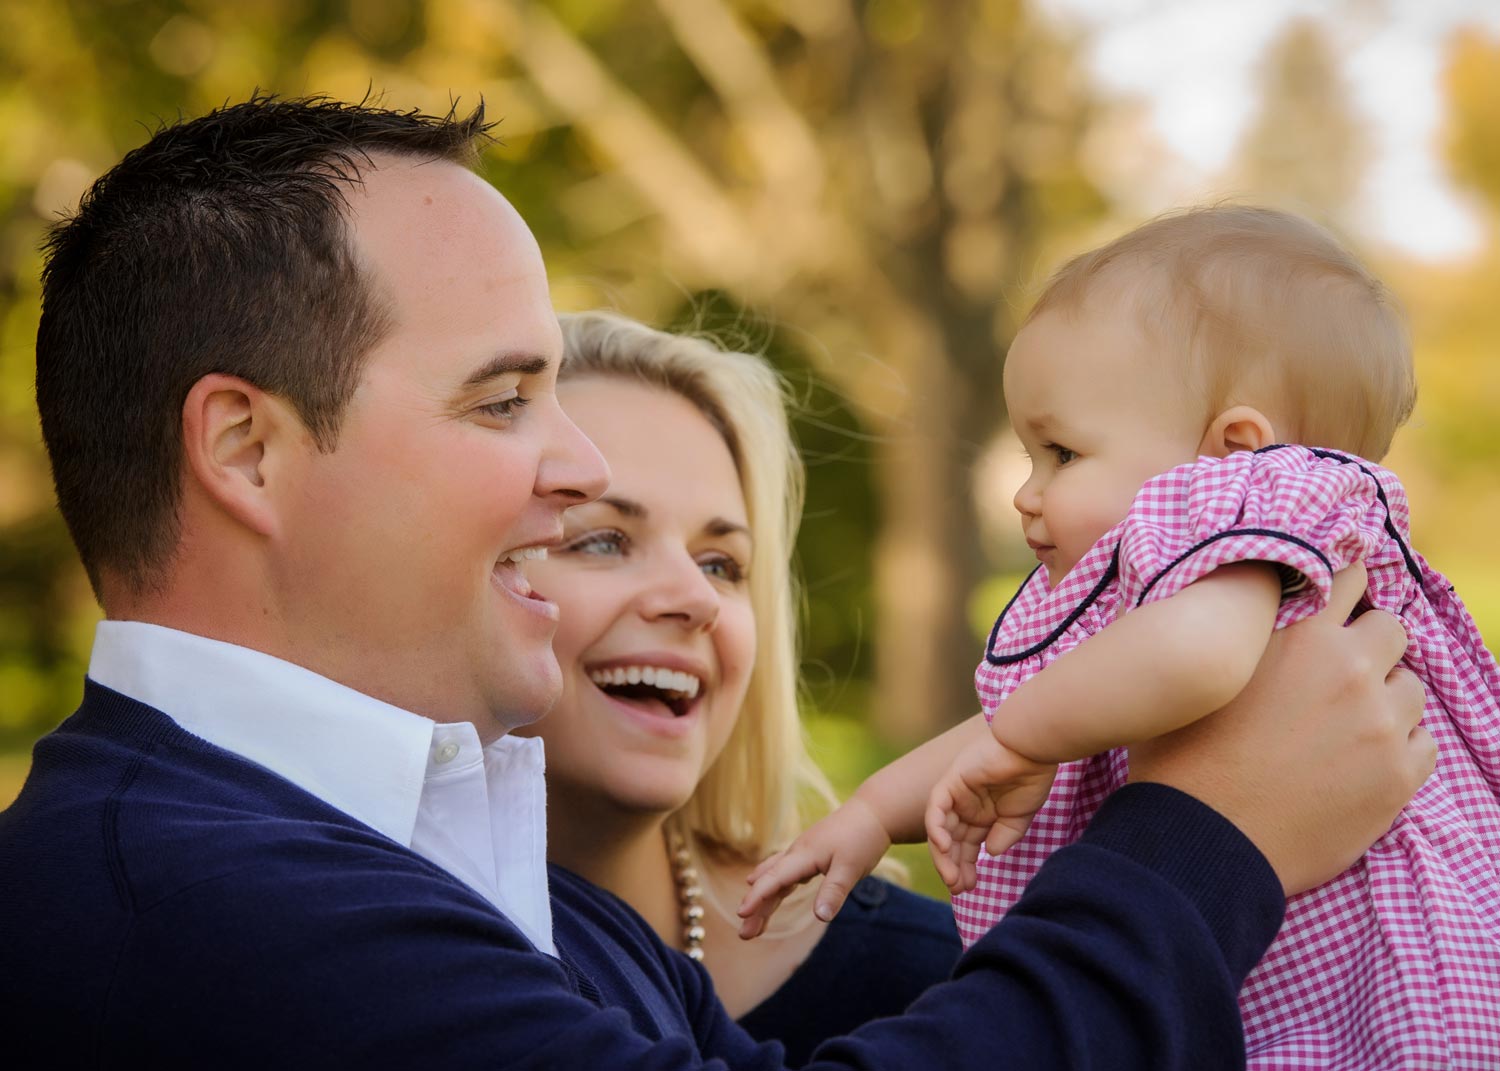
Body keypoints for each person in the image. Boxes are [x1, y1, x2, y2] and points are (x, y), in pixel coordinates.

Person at [0, 96, 1432, 1069]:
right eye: (503, 401)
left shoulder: (470, 884)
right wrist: (1207, 834)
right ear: (245, 447)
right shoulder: (197, 895)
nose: (569, 465)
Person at [740, 206, 1500, 1069]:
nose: (1027, 494)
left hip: (1379, 1005)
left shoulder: (1242, 514)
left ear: (1232, 448)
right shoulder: (1155, 599)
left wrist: (1023, 739)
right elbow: (1022, 717)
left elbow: (1191, 660)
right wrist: (878, 808)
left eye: (1061, 453)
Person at [516, 310, 960, 1062]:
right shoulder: (341, 943)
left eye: (722, 563)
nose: (692, 597)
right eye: (601, 540)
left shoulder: (929, 978)